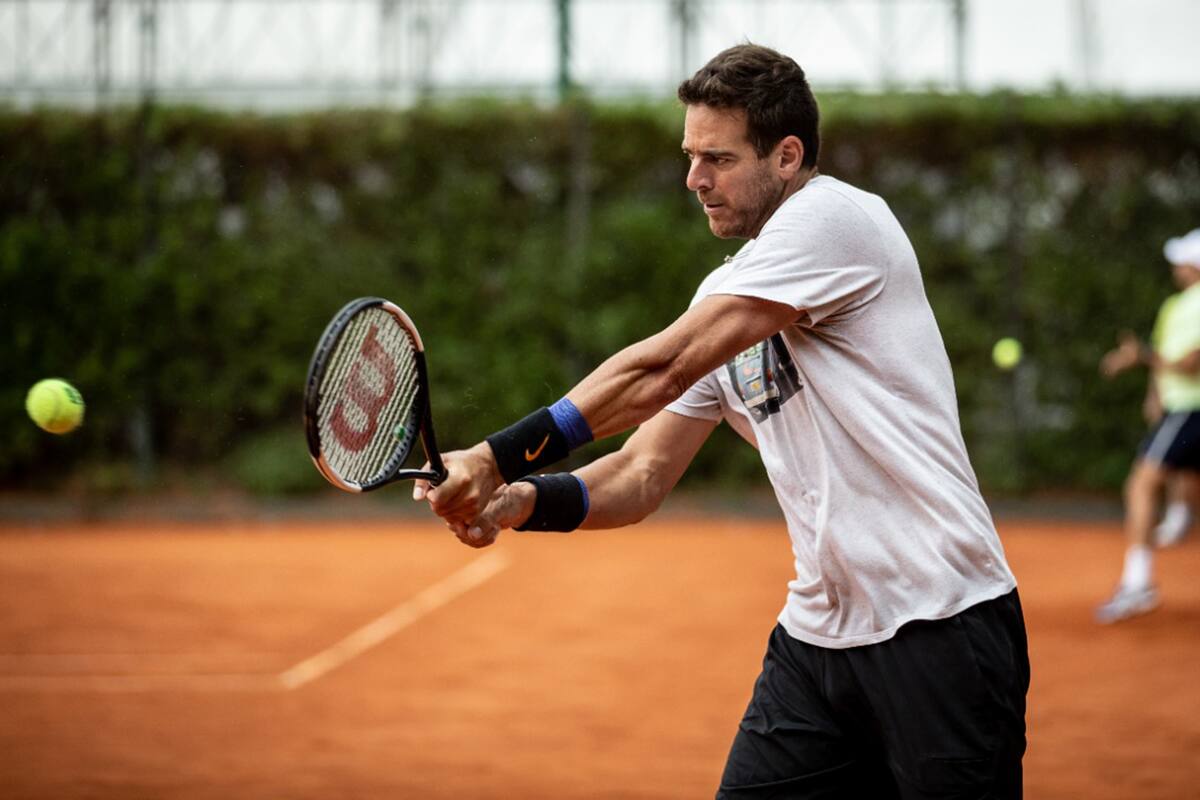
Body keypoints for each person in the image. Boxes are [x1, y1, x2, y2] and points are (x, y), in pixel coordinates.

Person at [415, 44, 1029, 798]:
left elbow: (659, 370)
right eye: (689, 155)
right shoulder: (729, 295)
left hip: (941, 627)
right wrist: (521, 501)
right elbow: (642, 474)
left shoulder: (835, 219)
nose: (694, 179)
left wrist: (496, 455)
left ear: (786, 156)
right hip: (818, 641)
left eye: (718, 158)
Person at [1095, 228, 1200, 624]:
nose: (1176, 266)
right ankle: (1176, 519)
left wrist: (1141, 358)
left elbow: (1191, 363)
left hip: (1191, 410)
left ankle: (1138, 584)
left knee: (1141, 483)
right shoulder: (1174, 306)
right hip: (1178, 407)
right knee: (1166, 479)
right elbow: (1168, 356)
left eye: (1182, 260)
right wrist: (1154, 393)